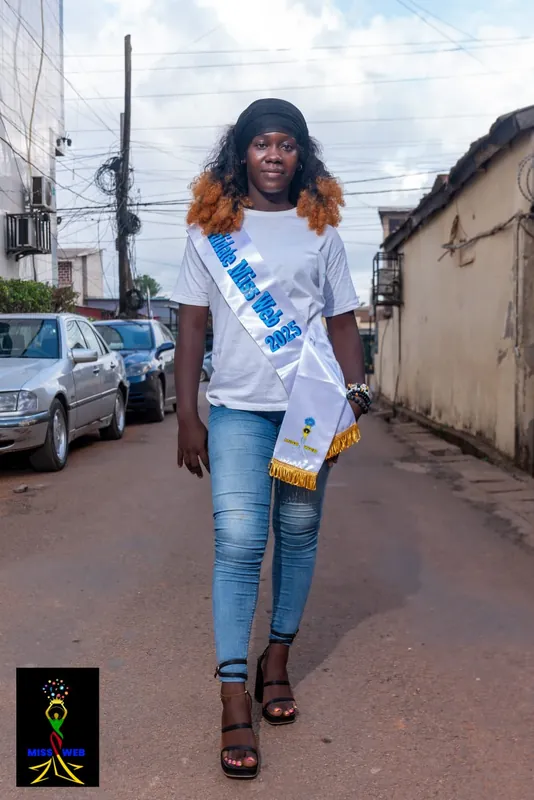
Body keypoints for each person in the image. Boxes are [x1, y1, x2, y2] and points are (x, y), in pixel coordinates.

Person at [174, 98, 371, 780]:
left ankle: (276, 660)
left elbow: (342, 323)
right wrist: (187, 414)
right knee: (238, 541)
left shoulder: (322, 232)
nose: (275, 155)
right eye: (263, 144)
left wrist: (355, 395)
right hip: (235, 410)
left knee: (299, 534)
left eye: (287, 144)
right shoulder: (210, 232)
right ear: (242, 152)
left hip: (309, 411)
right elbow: (191, 325)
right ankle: (234, 694)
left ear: (301, 155)